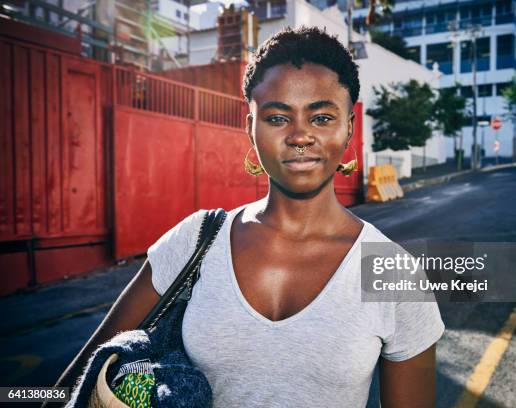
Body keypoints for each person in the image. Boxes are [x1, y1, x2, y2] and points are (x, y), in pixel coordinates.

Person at [52, 26, 444, 407]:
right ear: (250, 127)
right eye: (277, 118)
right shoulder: (196, 240)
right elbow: (77, 381)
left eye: (321, 117)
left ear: (349, 128)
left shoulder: (394, 272)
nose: (300, 135)